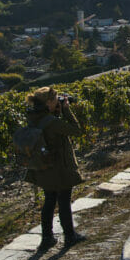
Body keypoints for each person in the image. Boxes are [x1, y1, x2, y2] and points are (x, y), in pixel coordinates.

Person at [24, 86, 86, 250]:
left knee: (49, 201)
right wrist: (66, 110)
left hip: (44, 167)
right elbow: (76, 131)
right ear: (49, 102)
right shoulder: (51, 122)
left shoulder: (34, 117)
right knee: (64, 201)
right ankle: (70, 236)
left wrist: (56, 112)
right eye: (56, 99)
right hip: (59, 167)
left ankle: (47, 238)